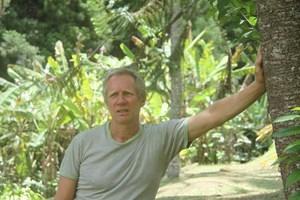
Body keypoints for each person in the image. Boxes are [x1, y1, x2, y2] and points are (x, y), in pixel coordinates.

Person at [54, 49, 265, 200]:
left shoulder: (162, 138)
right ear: (106, 101)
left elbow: (212, 114)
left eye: (127, 94)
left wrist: (258, 86)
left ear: (142, 99)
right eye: (114, 95)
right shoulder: (82, 143)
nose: (120, 101)